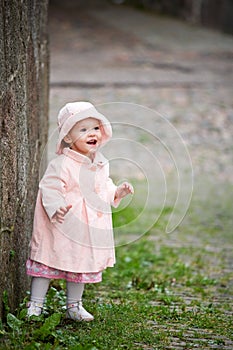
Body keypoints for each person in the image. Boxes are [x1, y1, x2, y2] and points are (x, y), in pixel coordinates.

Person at [26, 101, 134, 321]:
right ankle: (35, 305)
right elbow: (50, 186)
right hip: (63, 222)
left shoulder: (101, 162)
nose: (91, 134)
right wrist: (55, 207)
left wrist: (116, 192)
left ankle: (74, 306)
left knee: (80, 263)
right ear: (68, 137)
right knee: (47, 260)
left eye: (95, 128)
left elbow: (102, 186)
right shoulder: (62, 163)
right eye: (83, 130)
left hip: (86, 228)